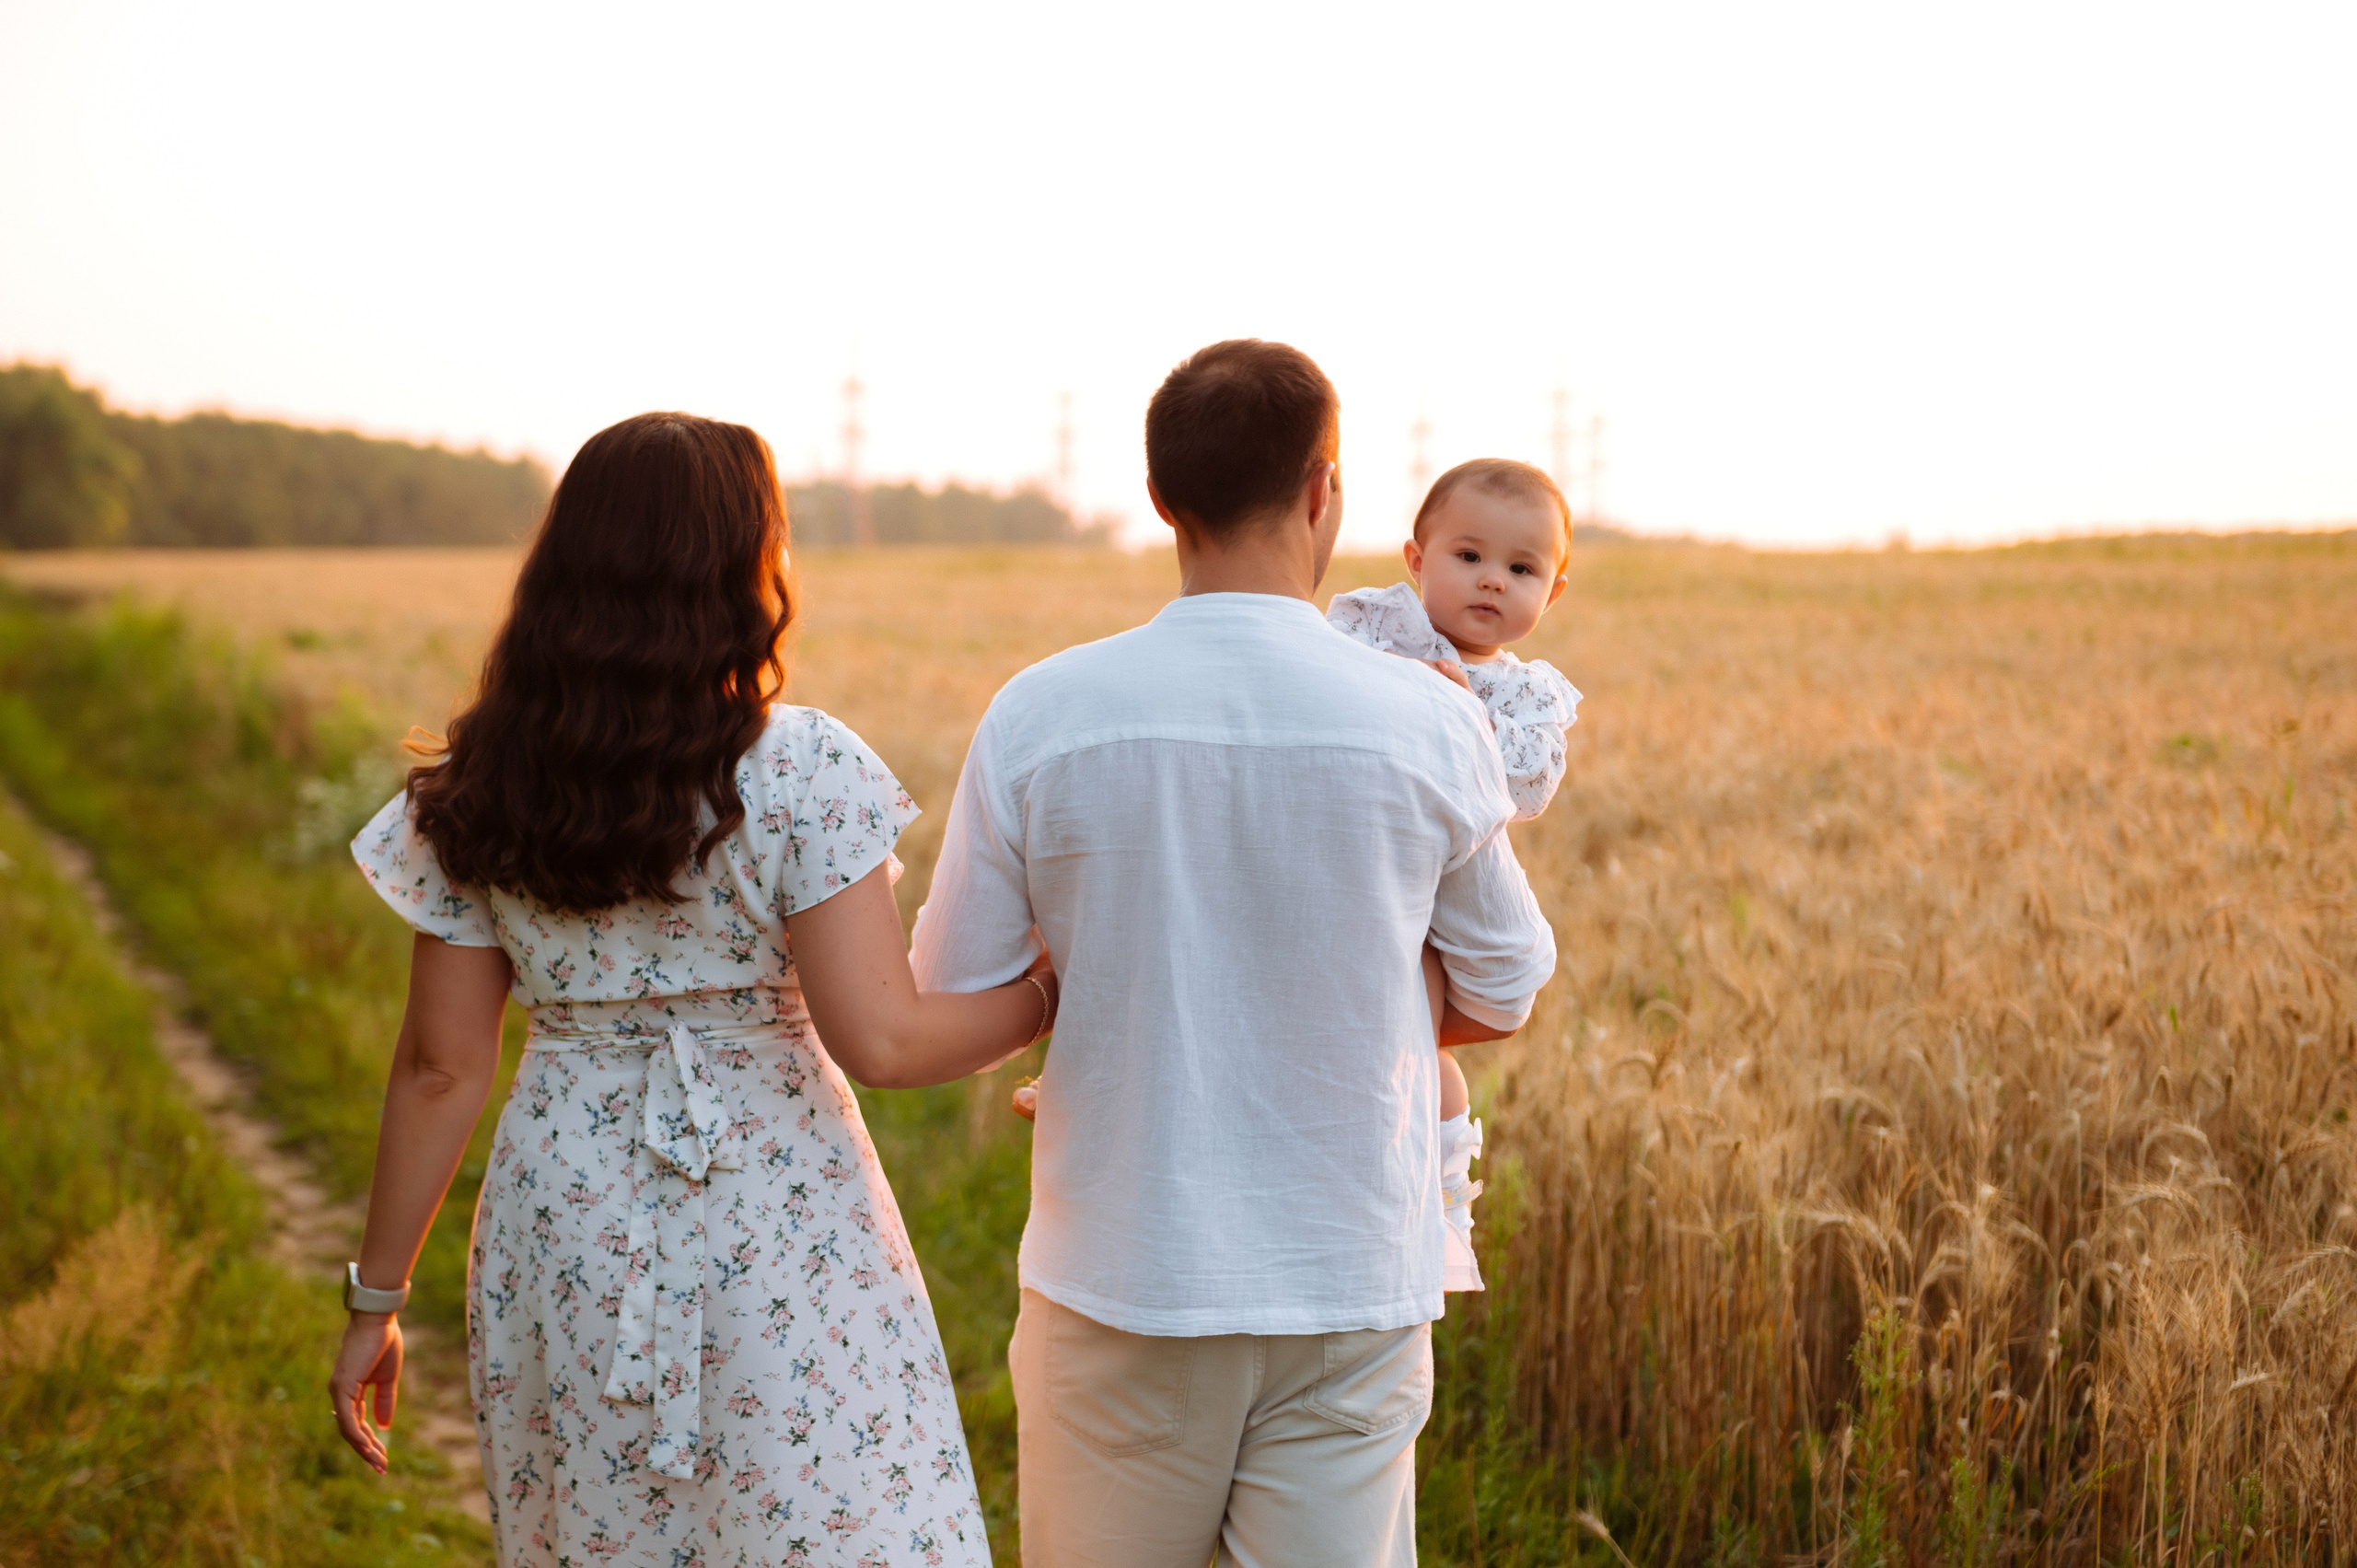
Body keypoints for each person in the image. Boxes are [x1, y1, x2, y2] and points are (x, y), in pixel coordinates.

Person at [327, 412, 1055, 1566]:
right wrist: (1043, 995)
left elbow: (440, 1064)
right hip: (774, 1196)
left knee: (610, 1525)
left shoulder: (477, 789)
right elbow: (885, 1038)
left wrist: (377, 1299)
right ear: (745, 565)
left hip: (568, 1200)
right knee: (829, 1514)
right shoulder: (799, 765)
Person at [910, 341, 1558, 1567]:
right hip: (1353, 1272)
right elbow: (1508, 983)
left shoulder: (1044, 709)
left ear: (1162, 498)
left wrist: (1101, 1004)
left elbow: (956, 986)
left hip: (1123, 1266)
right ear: (1326, 490)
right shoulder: (1430, 720)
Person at [1326, 457, 1584, 1289]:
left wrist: (1457, 715)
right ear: (1415, 559)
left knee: (1428, 1035)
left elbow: (1526, 788)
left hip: (1448, 886)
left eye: (1521, 569)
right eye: (1468, 557)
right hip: (1358, 859)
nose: (1491, 582)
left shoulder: (1528, 695)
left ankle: (1440, 1201)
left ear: (1555, 591)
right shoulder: (1371, 628)